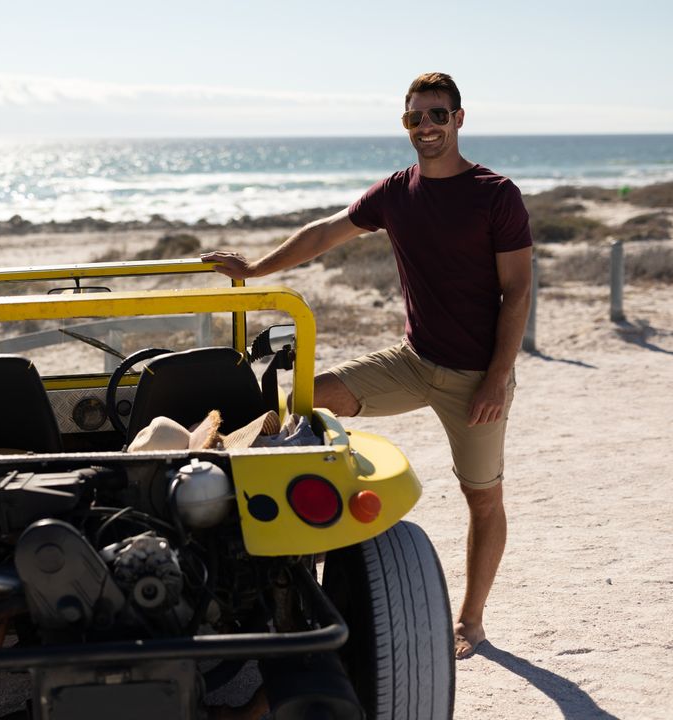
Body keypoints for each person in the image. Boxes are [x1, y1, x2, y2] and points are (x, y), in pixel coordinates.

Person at [201, 72, 532, 660]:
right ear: (405, 125)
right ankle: (324, 527)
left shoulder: (495, 193)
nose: (425, 127)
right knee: (305, 399)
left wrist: (496, 378)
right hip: (412, 361)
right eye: (415, 118)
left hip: (475, 378)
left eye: (436, 115)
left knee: (481, 498)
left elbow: (519, 291)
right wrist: (253, 270)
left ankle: (472, 622)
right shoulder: (395, 194)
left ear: (459, 118)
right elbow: (324, 232)